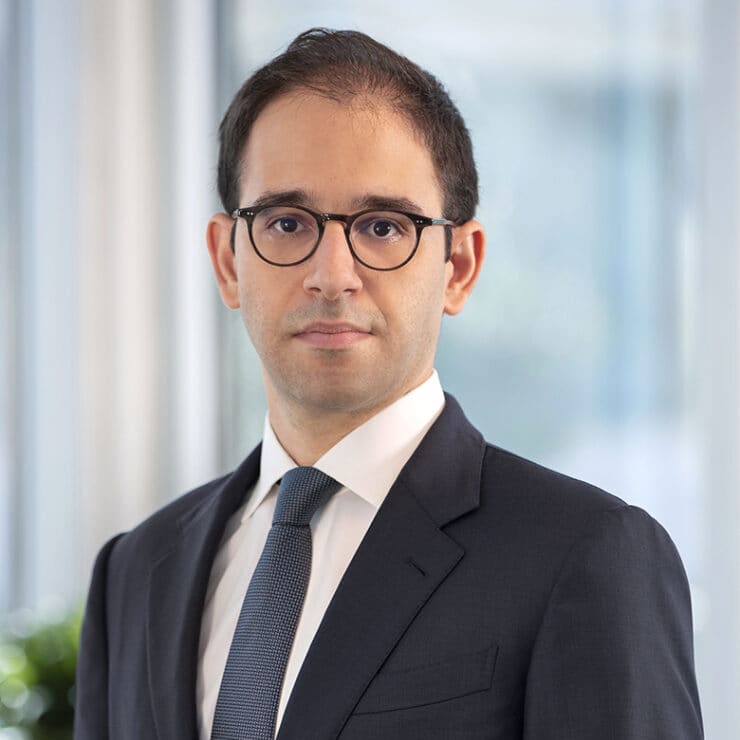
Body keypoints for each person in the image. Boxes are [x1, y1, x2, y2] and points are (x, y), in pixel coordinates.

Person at [74, 28, 703, 740]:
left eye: (381, 227)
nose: (331, 276)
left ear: (459, 267)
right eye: (286, 222)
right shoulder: (135, 573)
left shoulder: (586, 556)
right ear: (227, 261)